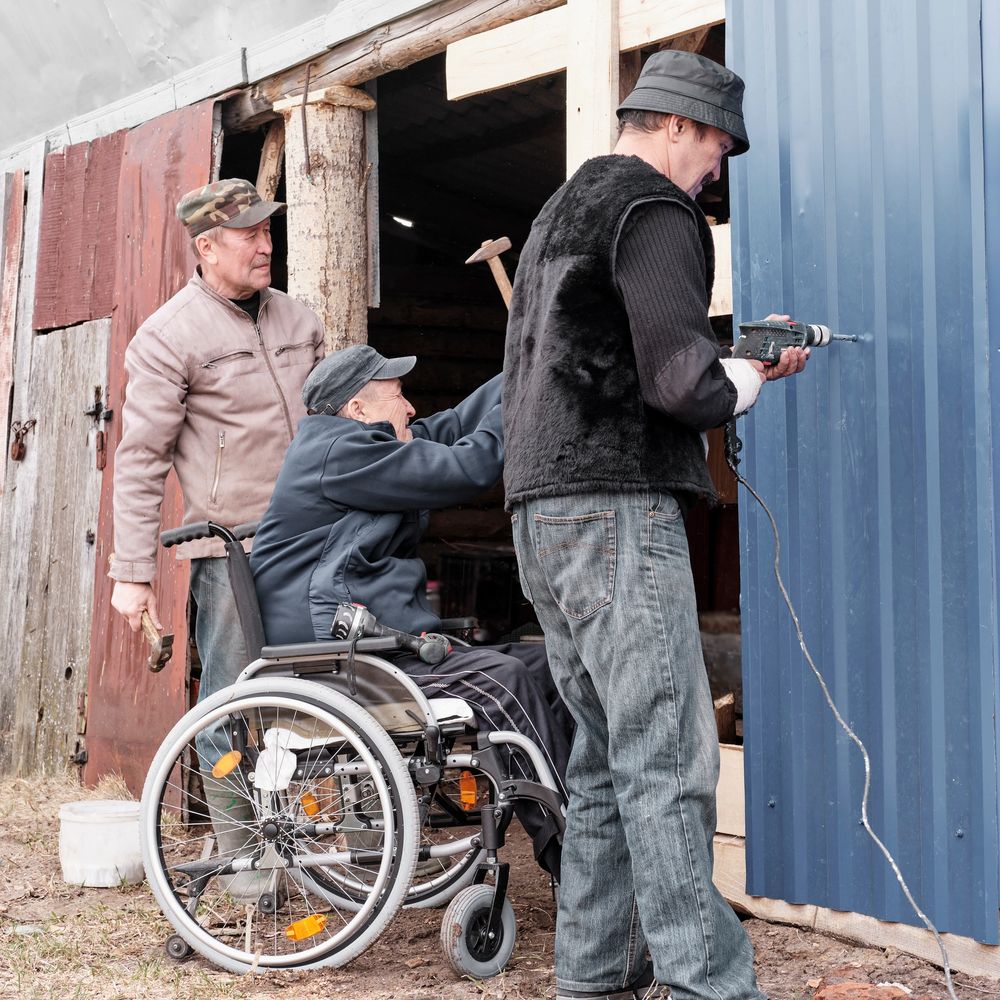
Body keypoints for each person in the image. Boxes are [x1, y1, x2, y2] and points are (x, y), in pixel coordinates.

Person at [503, 51, 809, 1000]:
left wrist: (725, 353)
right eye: (717, 147)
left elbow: (609, 353)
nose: (716, 172)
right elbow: (683, 387)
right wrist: (750, 376)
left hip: (541, 515)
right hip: (616, 511)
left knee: (601, 762)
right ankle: (708, 985)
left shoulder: (565, 211)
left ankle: (595, 978)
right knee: (670, 759)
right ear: (678, 126)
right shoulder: (657, 209)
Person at [250, 344, 573, 876]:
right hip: (345, 658)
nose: (411, 408)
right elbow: (467, 466)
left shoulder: (364, 448)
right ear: (356, 409)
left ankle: (584, 824)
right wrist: (526, 398)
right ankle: (574, 855)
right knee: (504, 680)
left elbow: (450, 427)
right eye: (397, 395)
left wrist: (526, 359)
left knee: (558, 668)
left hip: (375, 648)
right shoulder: (339, 453)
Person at [108, 179, 324, 893]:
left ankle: (336, 852)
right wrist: (132, 570)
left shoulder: (299, 319)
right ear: (206, 247)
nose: (266, 245)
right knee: (233, 703)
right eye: (248, 235)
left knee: (330, 693)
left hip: (316, 538)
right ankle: (248, 862)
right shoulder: (170, 337)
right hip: (233, 549)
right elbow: (139, 458)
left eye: (268, 231)